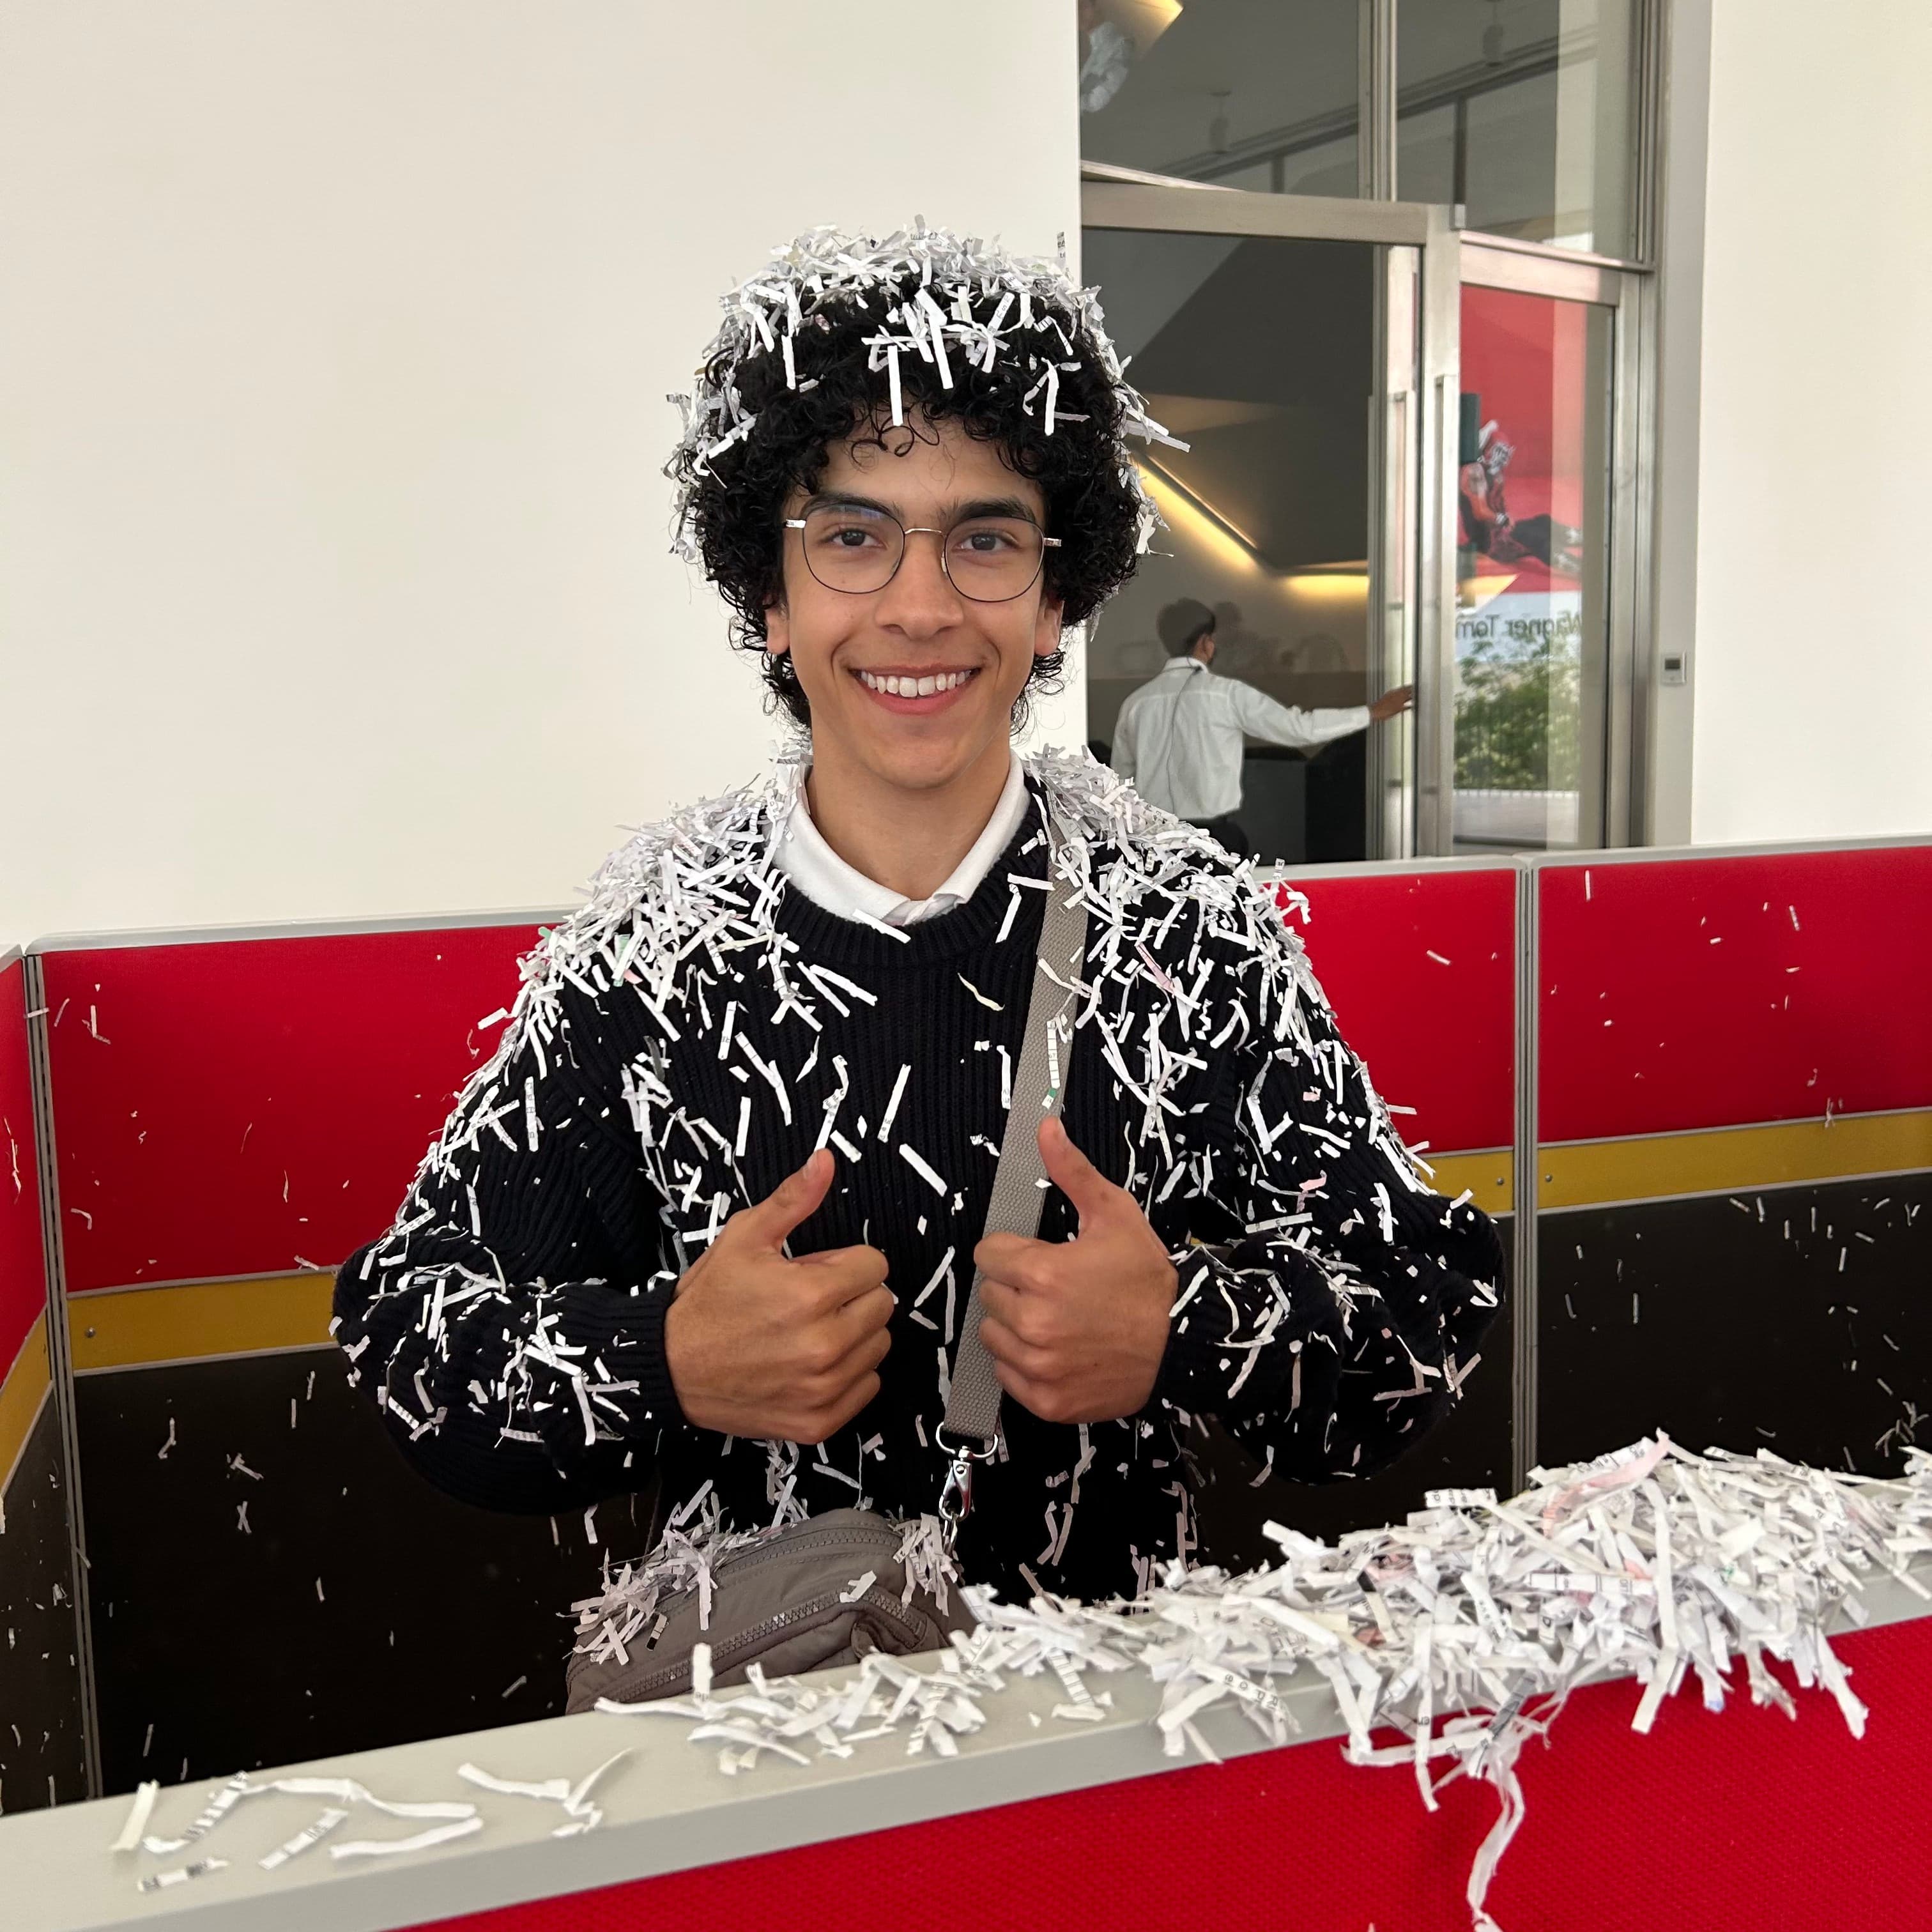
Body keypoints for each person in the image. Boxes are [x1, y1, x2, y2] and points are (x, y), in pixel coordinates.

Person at [332, 225, 1502, 1607]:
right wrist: (666, 1358)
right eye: (851, 539)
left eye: (985, 540)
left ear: (1058, 596)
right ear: (767, 595)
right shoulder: (646, 959)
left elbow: (1417, 1317)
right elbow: (413, 1340)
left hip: (1116, 1750)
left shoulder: (1192, 929)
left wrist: (1189, 1328)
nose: (918, 607)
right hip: (760, 1744)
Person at [1110, 597, 1415, 857]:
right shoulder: (1225, 694)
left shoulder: (1135, 704)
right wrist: (1372, 713)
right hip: (1212, 842)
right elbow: (1299, 729)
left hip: (1148, 844)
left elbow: (1118, 785)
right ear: (1205, 642)